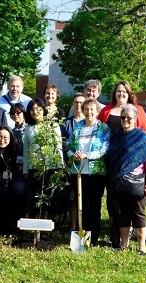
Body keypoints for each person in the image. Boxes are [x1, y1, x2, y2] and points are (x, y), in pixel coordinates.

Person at [107, 104, 146, 255]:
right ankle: (125, 244)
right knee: (122, 214)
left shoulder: (142, 137)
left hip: (137, 183)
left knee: (138, 213)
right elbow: (111, 158)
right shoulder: (116, 135)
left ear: (135, 119)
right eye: (123, 117)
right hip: (118, 182)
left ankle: (142, 246)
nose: (126, 120)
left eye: (129, 118)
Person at [67, 99, 110, 246]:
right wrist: (73, 154)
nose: (89, 112)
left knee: (94, 206)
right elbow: (69, 147)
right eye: (86, 109)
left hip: (96, 173)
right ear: (82, 110)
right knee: (81, 205)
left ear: (97, 111)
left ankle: (94, 238)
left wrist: (87, 155)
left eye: (92, 109)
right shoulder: (77, 127)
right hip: (78, 172)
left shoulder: (103, 128)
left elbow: (104, 149)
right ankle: (82, 236)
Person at [23, 98, 64, 218]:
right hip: (34, 168)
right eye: (32, 109)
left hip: (50, 167)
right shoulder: (28, 128)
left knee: (48, 197)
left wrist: (60, 166)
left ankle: (47, 229)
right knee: (34, 198)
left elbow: (58, 146)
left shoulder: (53, 125)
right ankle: (36, 230)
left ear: (43, 110)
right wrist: (26, 170)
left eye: (38, 109)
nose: (35, 112)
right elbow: (26, 151)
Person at [63, 92, 87, 231]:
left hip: (86, 166)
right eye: (76, 102)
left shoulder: (90, 123)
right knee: (73, 197)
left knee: (84, 198)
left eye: (81, 102)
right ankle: (72, 226)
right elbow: (63, 143)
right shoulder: (67, 123)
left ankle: (83, 226)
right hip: (70, 165)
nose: (78, 105)